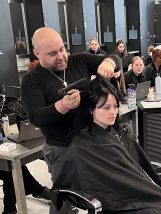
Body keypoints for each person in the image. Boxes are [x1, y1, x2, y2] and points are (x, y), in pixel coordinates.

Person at [20, 27, 121, 213]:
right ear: (37, 53)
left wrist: (108, 62)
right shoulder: (31, 81)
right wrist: (63, 106)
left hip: (92, 141)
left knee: (101, 192)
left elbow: (118, 59)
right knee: (65, 198)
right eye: (52, 53)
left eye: (62, 49)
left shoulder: (79, 61)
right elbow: (36, 117)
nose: (60, 56)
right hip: (62, 148)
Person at [54, 74, 161, 214]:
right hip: (113, 200)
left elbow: (135, 167)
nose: (113, 112)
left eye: (115, 107)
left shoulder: (119, 132)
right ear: (91, 110)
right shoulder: (82, 144)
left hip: (134, 191)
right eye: (106, 108)